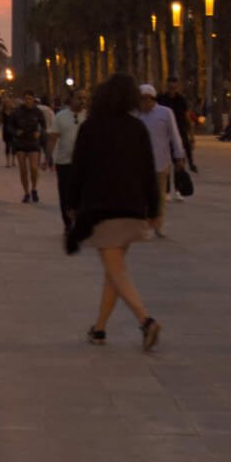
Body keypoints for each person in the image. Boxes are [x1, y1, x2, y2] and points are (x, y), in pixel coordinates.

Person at [64, 73, 162, 351]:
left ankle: (146, 321)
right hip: (132, 208)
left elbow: (78, 170)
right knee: (114, 272)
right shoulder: (137, 128)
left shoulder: (91, 128)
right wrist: (154, 209)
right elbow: (148, 171)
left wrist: (71, 205)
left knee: (116, 271)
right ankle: (99, 329)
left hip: (102, 209)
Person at [133, 84, 187, 237]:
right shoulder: (135, 114)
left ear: (152, 98)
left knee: (159, 196)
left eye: (144, 99)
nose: (142, 103)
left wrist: (179, 156)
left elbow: (175, 136)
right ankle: (143, 225)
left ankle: (158, 225)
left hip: (160, 161)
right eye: (140, 99)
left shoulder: (165, 113)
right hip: (138, 164)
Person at [48, 89, 87, 229]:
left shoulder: (89, 116)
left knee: (83, 193)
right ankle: (68, 222)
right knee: (65, 194)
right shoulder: (60, 117)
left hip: (84, 163)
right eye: (79, 98)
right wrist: (48, 157)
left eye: (84, 98)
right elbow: (53, 138)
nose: (82, 101)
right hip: (64, 162)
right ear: (71, 99)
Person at [5, 91, 48, 203]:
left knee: (34, 168)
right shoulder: (17, 112)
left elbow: (43, 125)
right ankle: (26, 193)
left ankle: (34, 189)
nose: (28, 100)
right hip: (20, 143)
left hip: (33, 142)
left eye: (30, 98)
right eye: (26, 98)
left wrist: (39, 132)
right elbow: (9, 125)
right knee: (23, 170)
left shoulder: (38, 112)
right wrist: (15, 132)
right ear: (23, 100)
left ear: (33, 99)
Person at [158, 76, 196, 171]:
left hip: (179, 128)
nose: (172, 91)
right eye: (170, 88)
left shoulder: (181, 100)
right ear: (167, 86)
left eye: (174, 88)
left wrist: (192, 137)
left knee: (184, 146)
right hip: (165, 131)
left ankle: (190, 163)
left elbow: (187, 118)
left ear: (177, 87)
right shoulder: (161, 99)